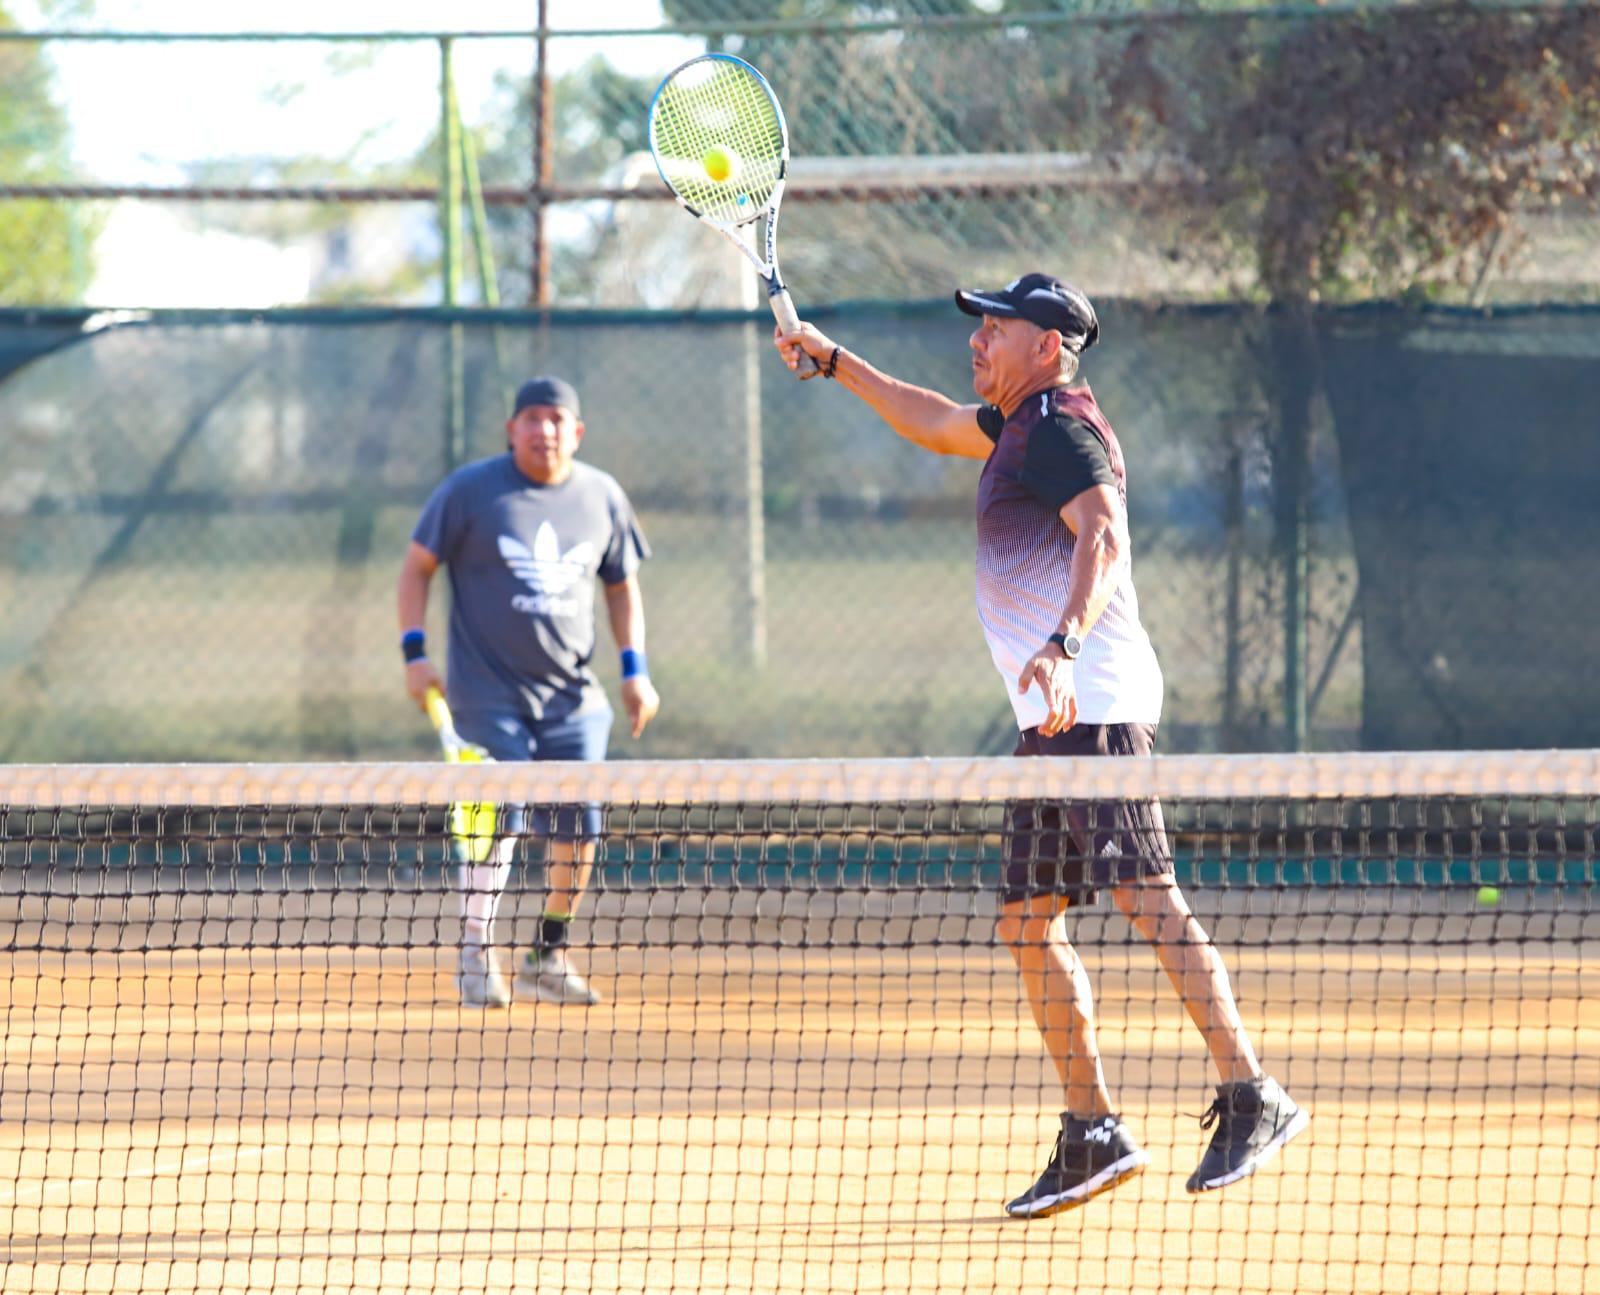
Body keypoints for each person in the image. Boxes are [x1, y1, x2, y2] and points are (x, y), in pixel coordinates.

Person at [774, 275, 1308, 1215]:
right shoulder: (1017, 426)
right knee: (1027, 919)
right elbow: (933, 419)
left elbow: (1101, 533)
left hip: (1090, 701)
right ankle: (1092, 1128)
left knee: (1146, 897)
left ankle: (1252, 1091)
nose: (978, 341)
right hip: (1051, 719)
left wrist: (1062, 644)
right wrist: (833, 360)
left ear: (1049, 344)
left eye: (997, 327)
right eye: (978, 327)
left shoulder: (1063, 429)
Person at [397, 376, 659, 1009]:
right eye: (532, 418)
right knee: (497, 822)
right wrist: (415, 654)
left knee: (581, 830)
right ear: (511, 429)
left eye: (556, 419)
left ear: (577, 431)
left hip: (574, 700)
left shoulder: (602, 496)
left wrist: (635, 669)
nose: (544, 429)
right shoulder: (468, 492)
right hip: (485, 694)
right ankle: (475, 950)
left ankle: (547, 954)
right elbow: (416, 568)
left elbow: (621, 586)